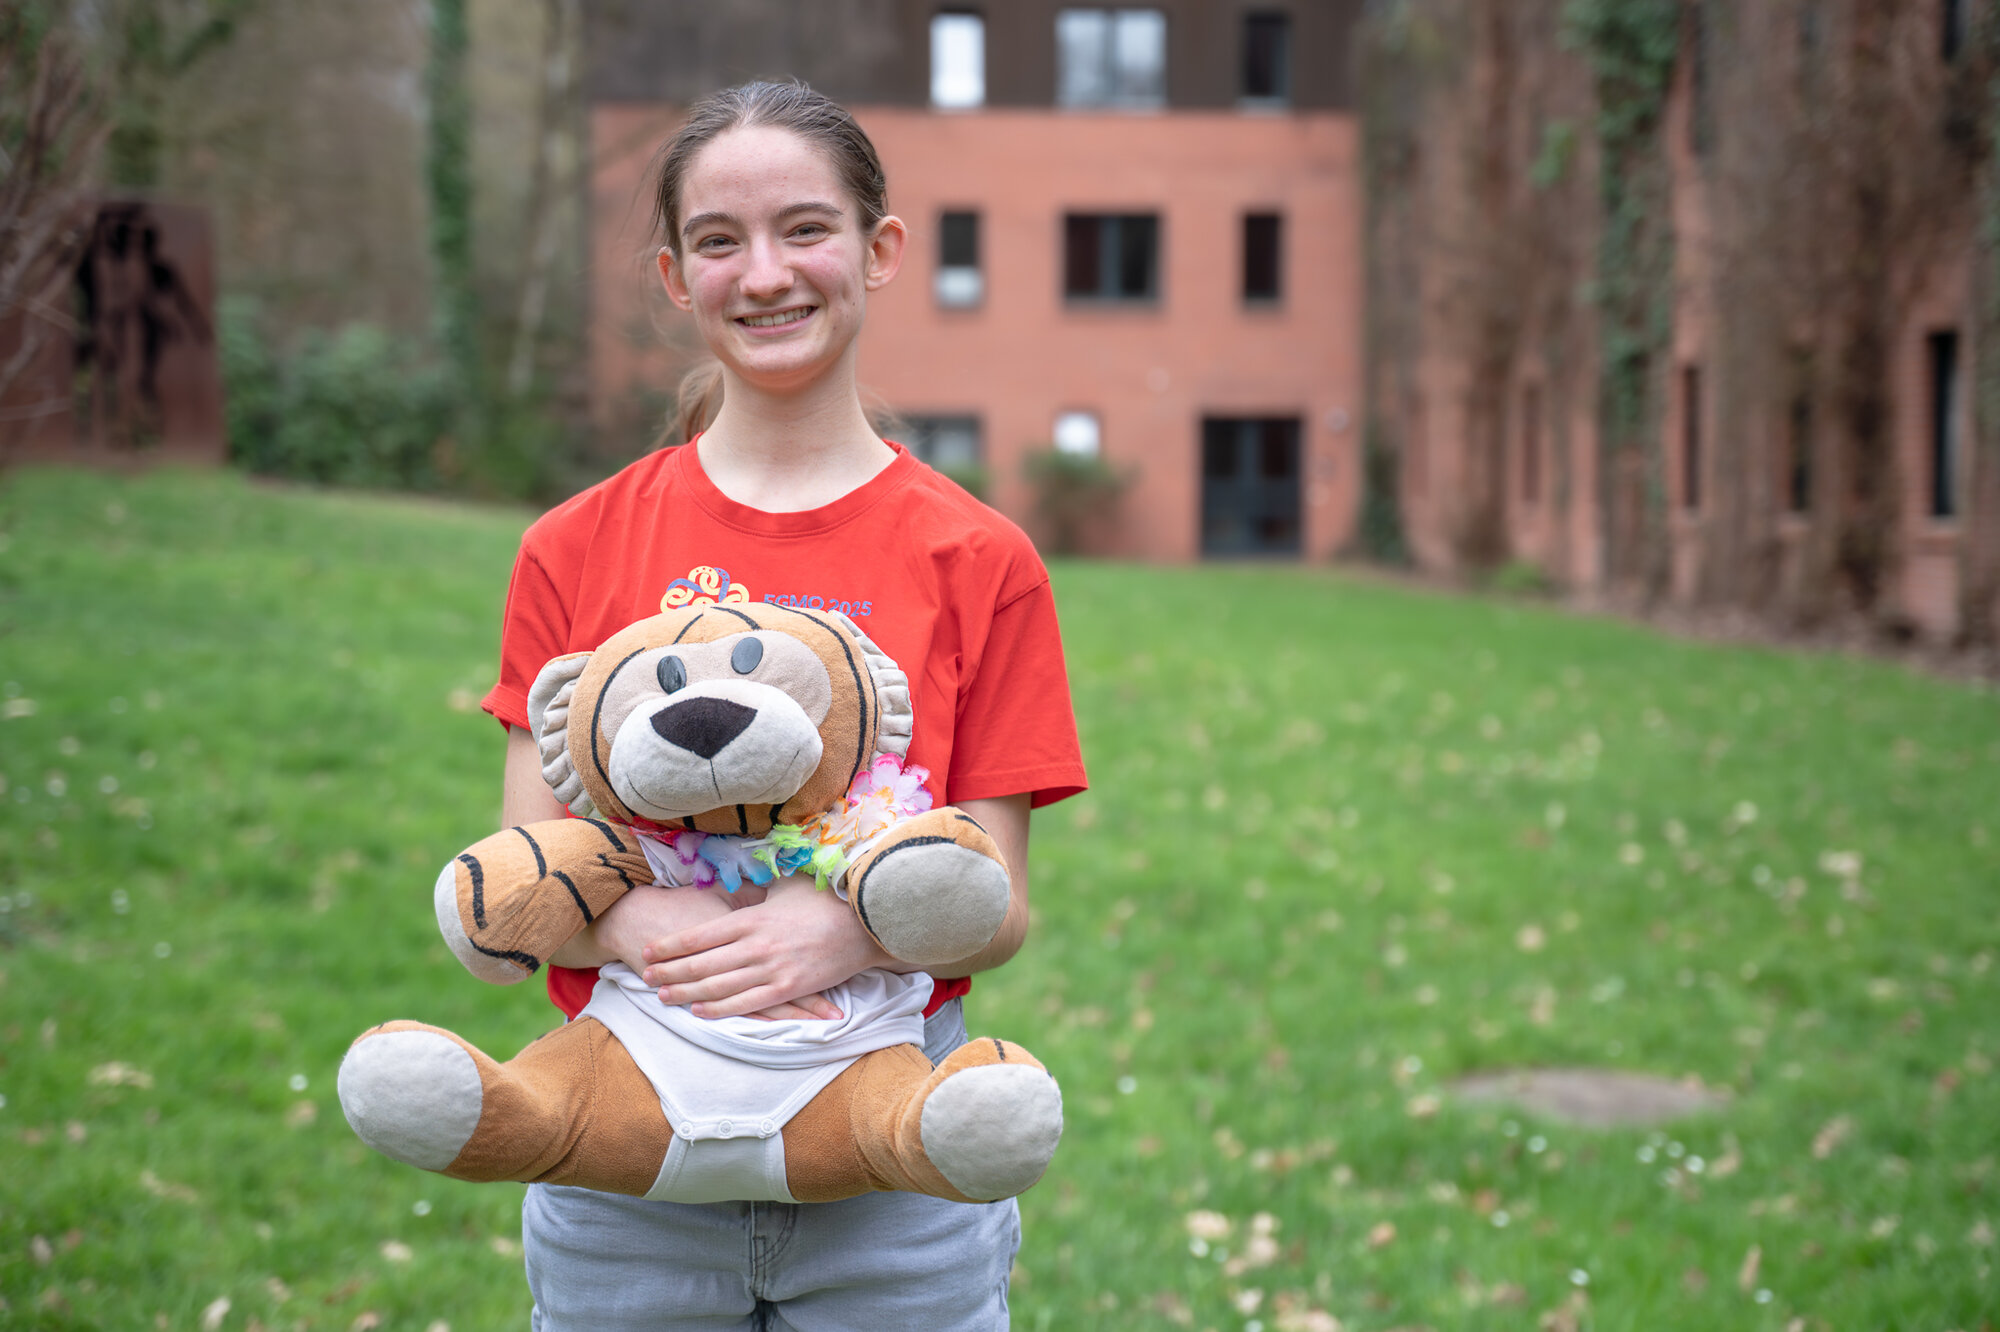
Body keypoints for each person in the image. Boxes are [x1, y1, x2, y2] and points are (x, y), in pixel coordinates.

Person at [478, 81, 1087, 1329]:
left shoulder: (980, 561)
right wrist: (650, 937)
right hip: (624, 1176)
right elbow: (532, 876)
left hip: (889, 1179)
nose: (764, 274)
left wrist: (844, 933)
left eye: (804, 229)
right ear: (671, 274)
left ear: (879, 250)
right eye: (719, 240)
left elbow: (996, 901)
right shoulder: (572, 546)